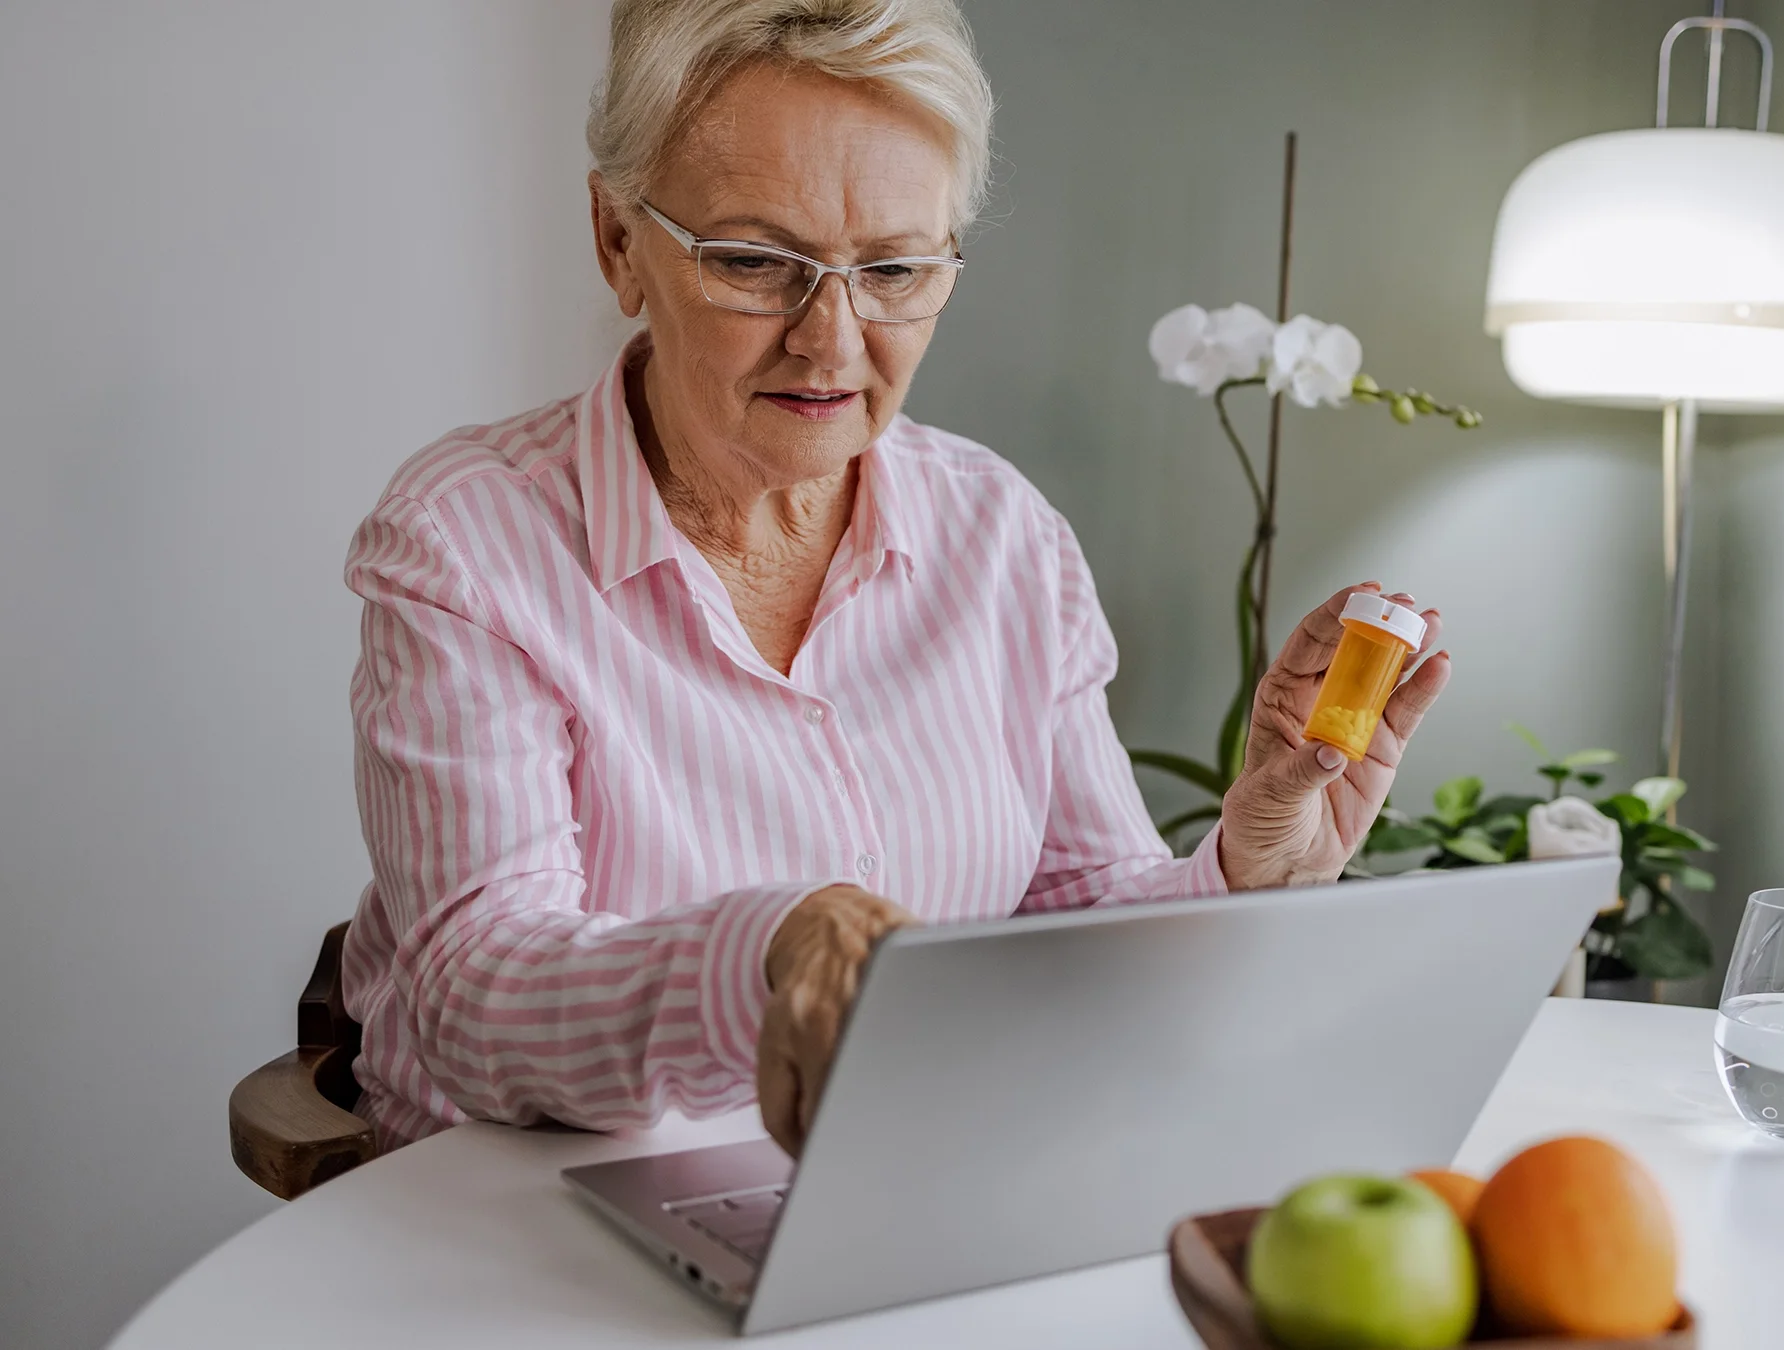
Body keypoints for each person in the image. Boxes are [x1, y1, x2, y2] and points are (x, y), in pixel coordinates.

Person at [341, 0, 1451, 1156]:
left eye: (894, 269)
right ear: (618, 239)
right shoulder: (467, 541)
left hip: (900, 1196)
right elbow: (478, 998)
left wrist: (1246, 868)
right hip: (509, 1221)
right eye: (757, 263)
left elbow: (1078, 916)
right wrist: (777, 948)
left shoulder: (1003, 537)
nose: (832, 339)